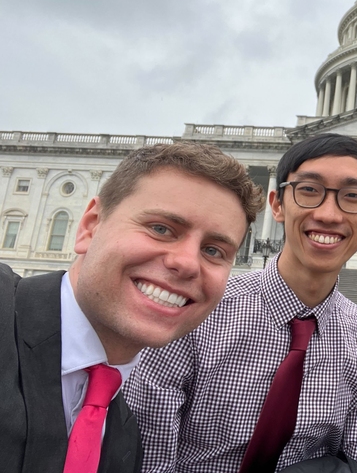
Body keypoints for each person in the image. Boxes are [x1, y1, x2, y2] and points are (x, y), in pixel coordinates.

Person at [125, 133, 357, 472]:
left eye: (352, 197)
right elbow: (148, 459)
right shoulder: (195, 311)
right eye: (309, 190)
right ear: (277, 204)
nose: (328, 214)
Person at [0, 142, 265, 473]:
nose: (186, 264)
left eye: (213, 251)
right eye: (161, 229)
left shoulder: (125, 439)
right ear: (90, 227)